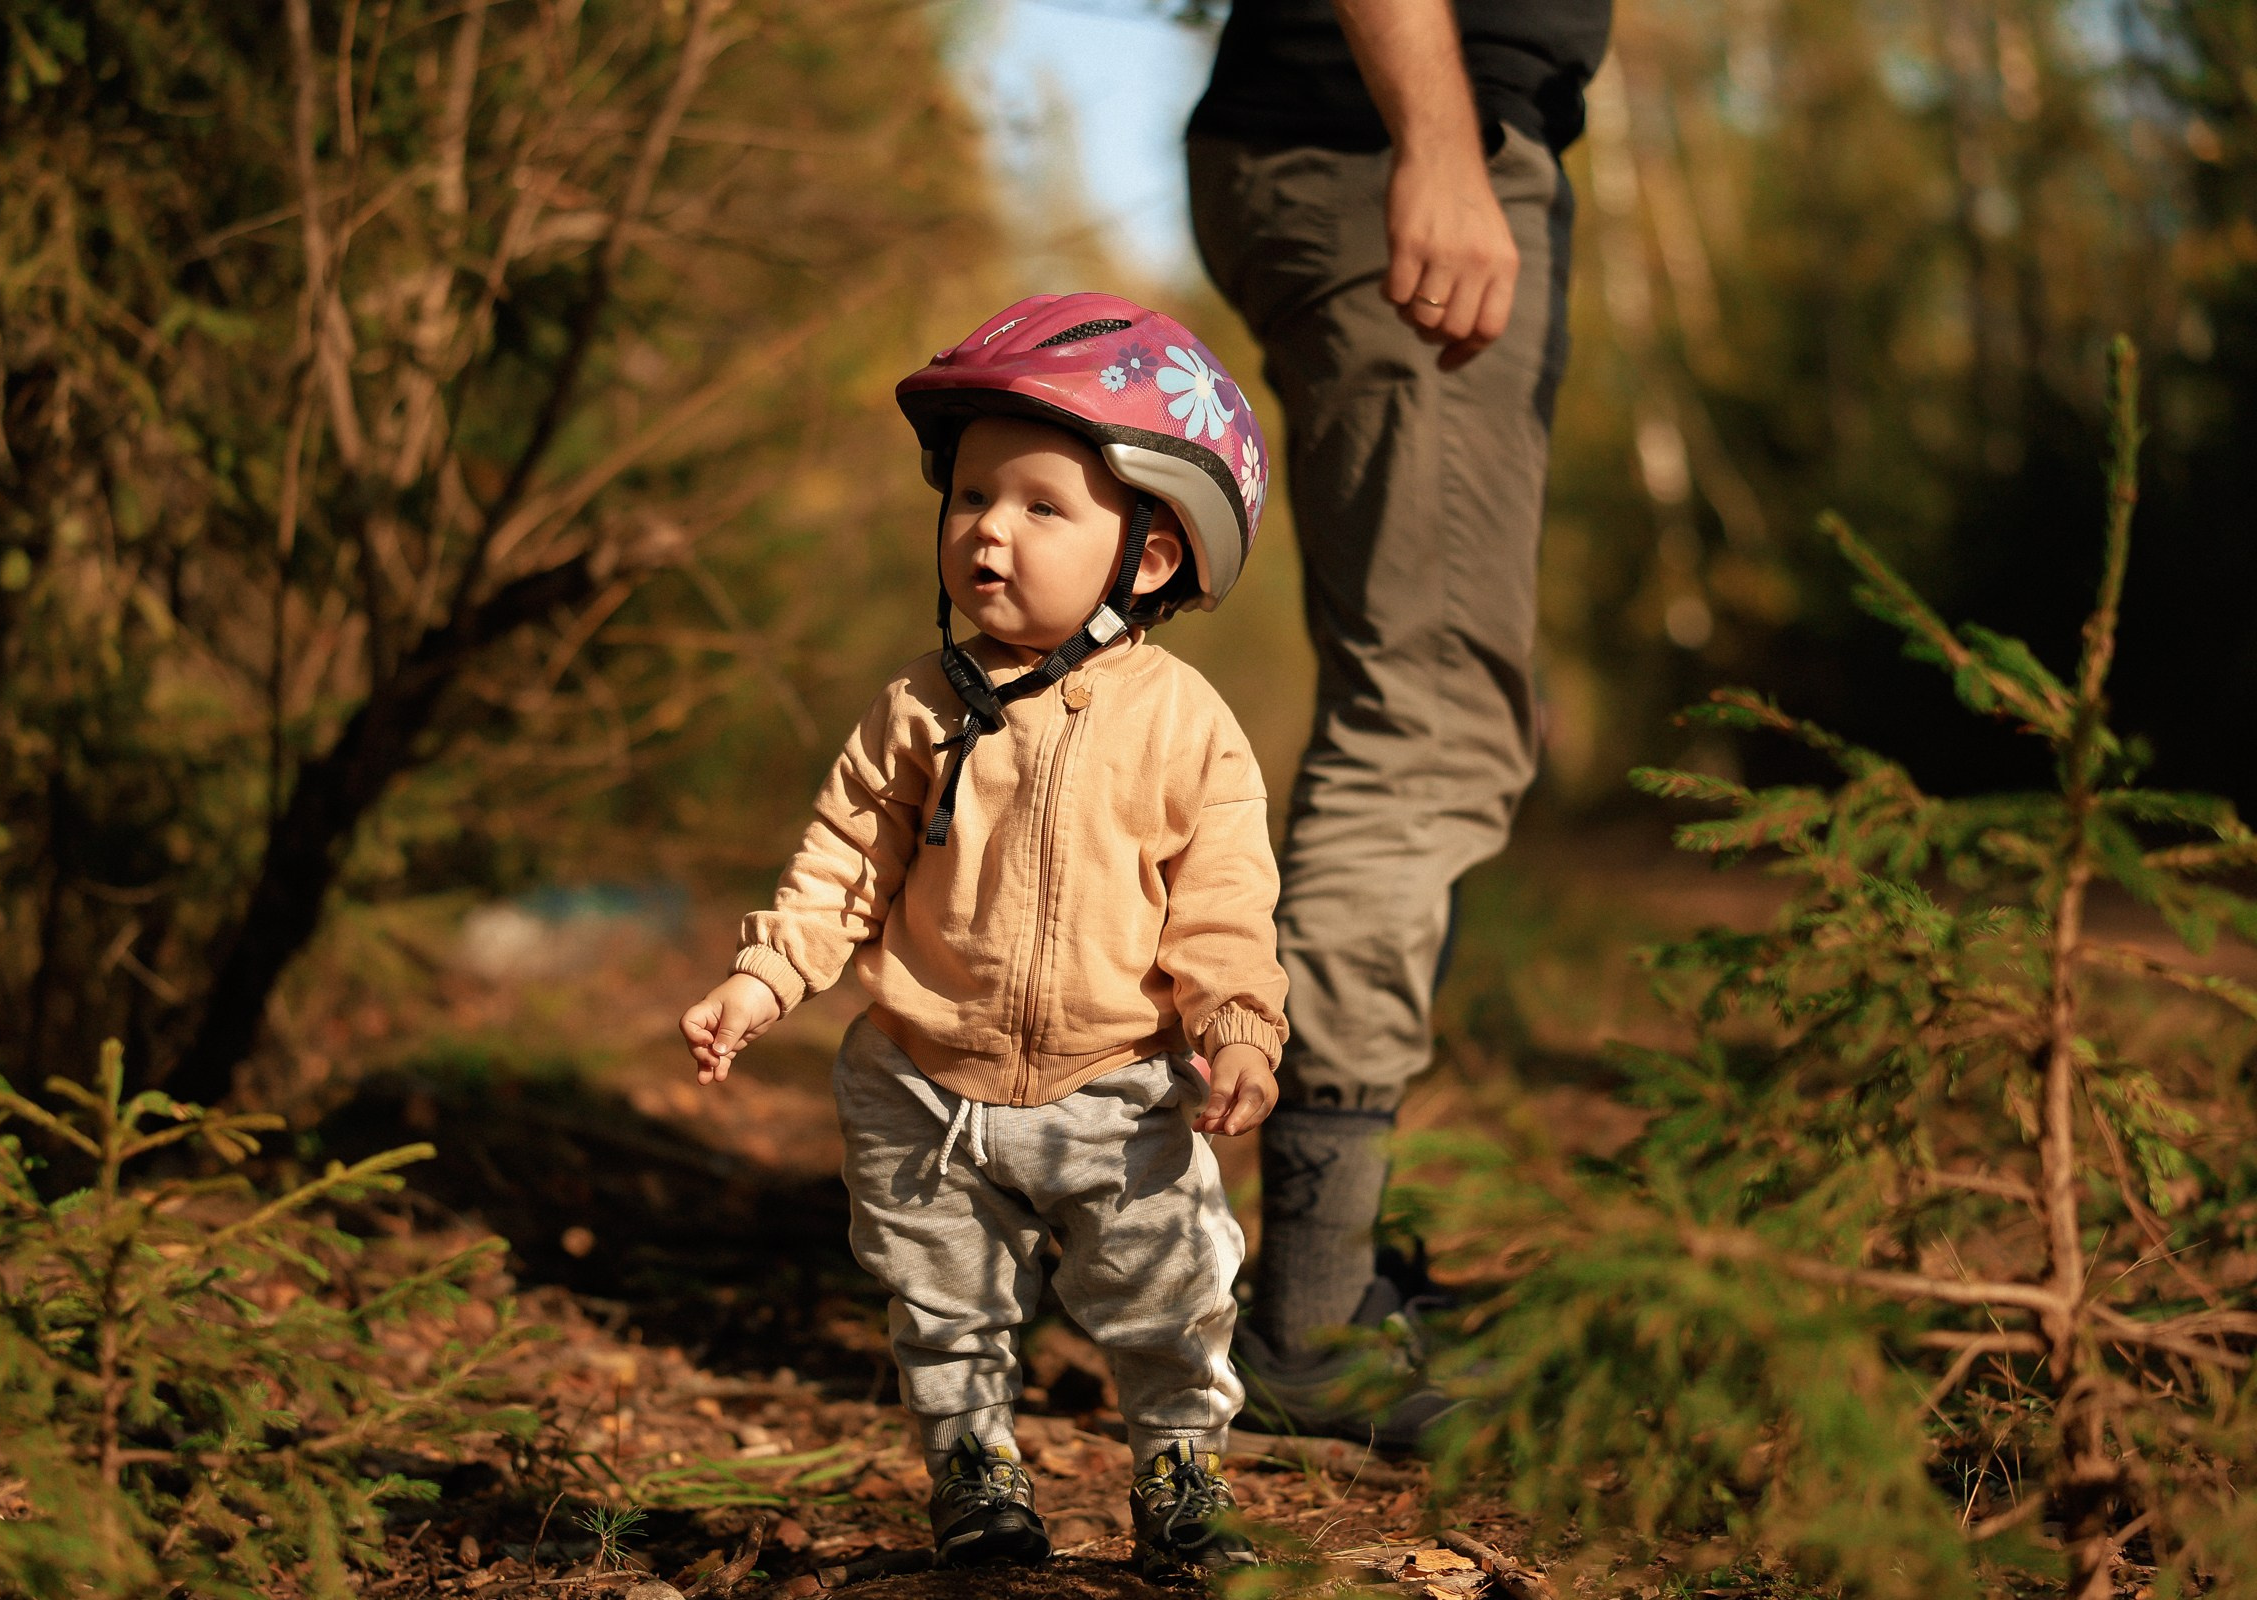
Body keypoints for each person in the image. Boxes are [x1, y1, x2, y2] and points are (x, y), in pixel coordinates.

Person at [678, 293, 1289, 1576]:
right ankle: (975, 1463)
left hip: (1117, 1091)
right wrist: (760, 977)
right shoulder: (916, 707)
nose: (988, 533)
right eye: (969, 499)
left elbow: (1227, 903)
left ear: (1156, 555)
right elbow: (842, 863)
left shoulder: (1186, 725)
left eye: (1039, 506)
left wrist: (1237, 1024)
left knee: (1171, 1292)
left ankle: (1180, 1468)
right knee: (940, 1300)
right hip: (920, 1081)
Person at [1185, 0, 1613, 1446]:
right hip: (1387, 139)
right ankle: (1308, 1323)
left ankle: (1325, 1281)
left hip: (1378, 136)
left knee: (1426, 701)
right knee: (1425, 719)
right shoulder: (1411, 142)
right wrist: (1436, 140)